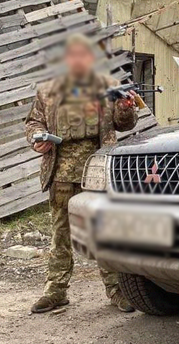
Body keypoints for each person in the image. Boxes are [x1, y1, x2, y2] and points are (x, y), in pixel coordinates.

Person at [25, 34, 138, 314]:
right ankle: (55, 291)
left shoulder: (108, 87)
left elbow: (125, 123)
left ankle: (116, 289)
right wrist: (37, 139)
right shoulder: (47, 90)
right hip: (61, 173)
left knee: (104, 232)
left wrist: (126, 109)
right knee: (61, 235)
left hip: (97, 171)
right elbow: (33, 122)